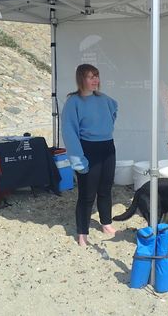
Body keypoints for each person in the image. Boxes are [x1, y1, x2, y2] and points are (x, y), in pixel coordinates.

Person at [61, 64, 118, 247]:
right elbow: (69, 132)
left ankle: (106, 223)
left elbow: (113, 112)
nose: (95, 80)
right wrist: (78, 159)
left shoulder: (105, 99)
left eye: (96, 76)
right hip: (88, 149)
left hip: (107, 147)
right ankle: (82, 232)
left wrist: (103, 131)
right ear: (81, 79)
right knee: (87, 193)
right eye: (90, 77)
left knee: (106, 188)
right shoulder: (73, 102)